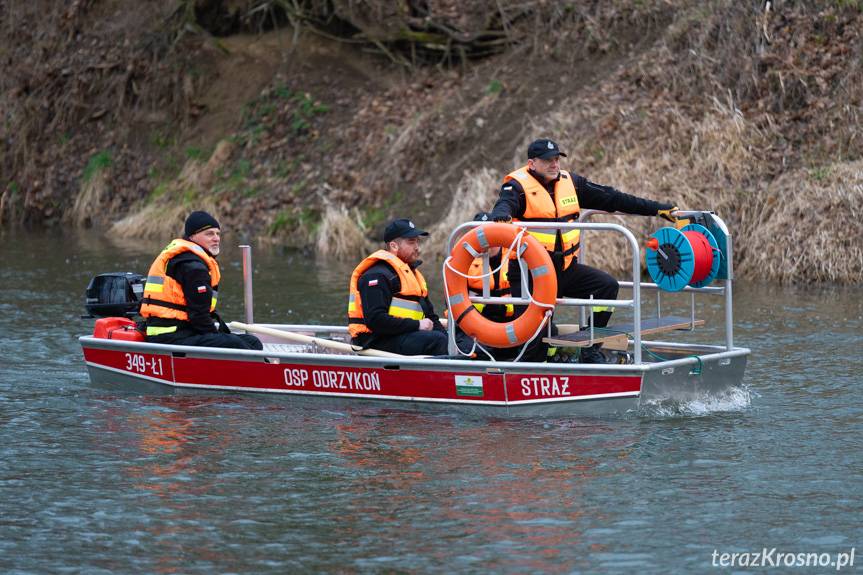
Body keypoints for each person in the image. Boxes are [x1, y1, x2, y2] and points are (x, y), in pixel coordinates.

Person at [490, 138, 678, 363]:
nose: (554, 164)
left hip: (564, 270)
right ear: (532, 163)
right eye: (548, 160)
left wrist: (657, 209)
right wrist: (501, 216)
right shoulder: (516, 186)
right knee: (535, 338)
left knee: (606, 286)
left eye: (557, 159)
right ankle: (528, 370)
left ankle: (590, 349)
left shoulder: (571, 182)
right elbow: (504, 204)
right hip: (530, 275)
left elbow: (613, 198)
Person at [139, 211, 263, 350]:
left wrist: (220, 336)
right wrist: (218, 337)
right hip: (171, 335)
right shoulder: (193, 267)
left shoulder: (188, 258)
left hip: (183, 330)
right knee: (235, 344)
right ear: (192, 236)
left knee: (252, 341)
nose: (216, 238)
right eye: (209, 234)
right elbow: (199, 317)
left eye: (218, 234)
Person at [348, 218, 450, 356]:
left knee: (449, 340)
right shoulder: (376, 275)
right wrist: (418, 325)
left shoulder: (413, 276)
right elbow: (375, 320)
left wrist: (450, 343)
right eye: (411, 242)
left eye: (418, 241)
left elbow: (431, 317)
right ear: (394, 246)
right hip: (375, 341)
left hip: (403, 336)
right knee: (437, 341)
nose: (417, 247)